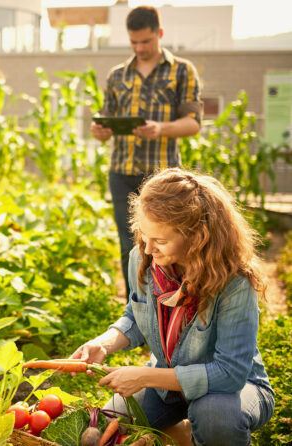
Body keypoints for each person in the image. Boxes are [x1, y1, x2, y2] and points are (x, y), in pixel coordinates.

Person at [70, 168, 275, 446]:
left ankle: (203, 430)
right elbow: (135, 315)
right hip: (168, 387)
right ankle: (184, 434)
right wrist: (104, 344)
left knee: (215, 416)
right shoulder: (143, 258)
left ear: (197, 236)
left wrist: (144, 376)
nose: (148, 247)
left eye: (161, 240)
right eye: (144, 234)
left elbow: (229, 374)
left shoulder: (234, 281)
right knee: (107, 422)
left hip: (233, 390)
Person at [91, 5, 202, 298]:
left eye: (146, 41)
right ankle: (137, 310)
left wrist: (160, 129)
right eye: (134, 42)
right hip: (122, 172)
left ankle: (172, 302)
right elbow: (106, 119)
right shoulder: (117, 76)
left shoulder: (182, 71)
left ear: (159, 34)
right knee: (129, 245)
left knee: (168, 243)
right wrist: (100, 131)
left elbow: (193, 123)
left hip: (163, 175)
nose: (140, 48)